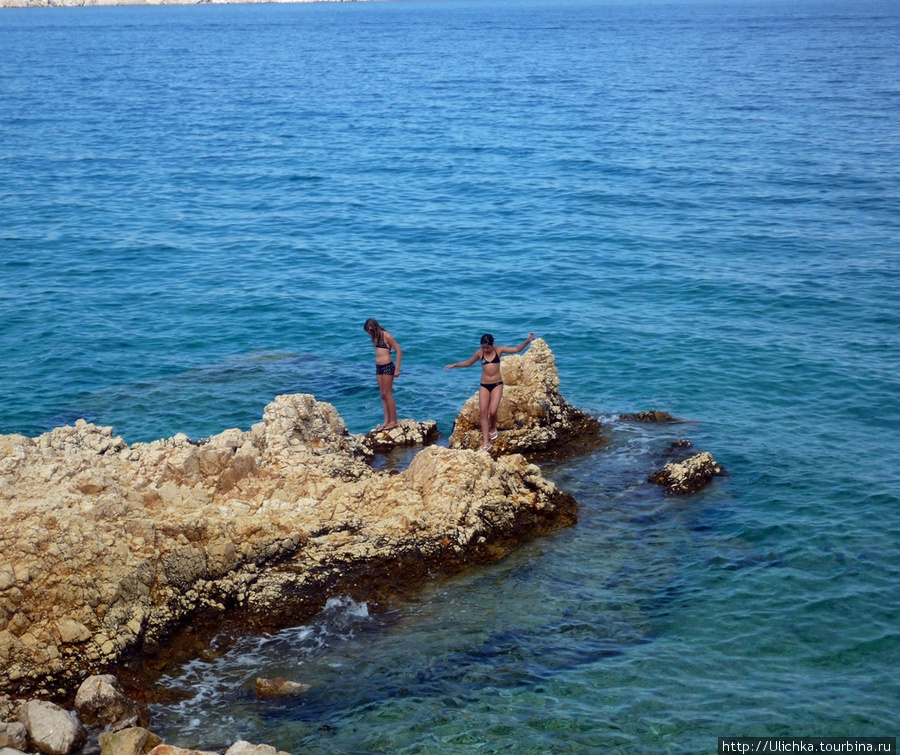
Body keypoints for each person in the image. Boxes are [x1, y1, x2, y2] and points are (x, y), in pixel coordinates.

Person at [445, 331, 535, 451]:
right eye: (483, 347)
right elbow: (469, 362)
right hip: (484, 385)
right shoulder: (479, 353)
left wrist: (527, 341)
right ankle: (486, 443)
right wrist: (455, 365)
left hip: (497, 384)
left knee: (493, 412)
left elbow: (516, 349)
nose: (485, 350)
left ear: (492, 344)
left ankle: (493, 428)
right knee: (483, 412)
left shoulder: (499, 350)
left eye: (487, 347)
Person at [364, 318, 402, 432]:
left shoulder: (386, 336)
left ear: (373, 327)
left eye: (369, 331)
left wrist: (397, 369)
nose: (369, 333)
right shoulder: (375, 338)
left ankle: (394, 421)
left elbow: (399, 351)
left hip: (387, 367)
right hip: (379, 368)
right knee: (383, 395)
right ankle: (386, 421)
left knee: (388, 394)